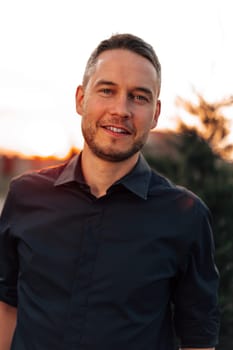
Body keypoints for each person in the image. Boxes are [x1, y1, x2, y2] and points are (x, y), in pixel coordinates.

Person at [0, 33, 220, 350]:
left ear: (155, 114)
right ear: (80, 99)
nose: (121, 109)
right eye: (107, 90)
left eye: (139, 97)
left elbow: (198, 339)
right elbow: (7, 304)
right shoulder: (25, 196)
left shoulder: (186, 217)